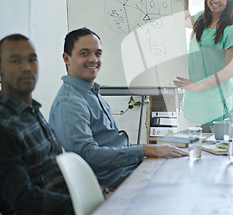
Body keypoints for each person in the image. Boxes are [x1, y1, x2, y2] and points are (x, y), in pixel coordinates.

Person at [49, 28, 187, 189]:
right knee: (182, 183)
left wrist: (151, 150)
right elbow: (88, 155)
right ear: (67, 58)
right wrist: (145, 150)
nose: (93, 59)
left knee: (182, 167)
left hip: (129, 171)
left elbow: (114, 145)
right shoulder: (69, 102)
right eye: (84, 53)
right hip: (115, 183)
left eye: (98, 54)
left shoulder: (91, 93)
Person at [0, 34, 77, 215]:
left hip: (65, 204)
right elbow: (23, 199)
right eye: (15, 60)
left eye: (32, 59)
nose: (27, 67)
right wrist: (81, 203)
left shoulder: (30, 112)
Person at [174, 0, 233, 126]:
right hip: (194, 98)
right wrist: (185, 0)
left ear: (229, 0)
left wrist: (197, 86)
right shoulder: (200, 18)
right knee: (186, 146)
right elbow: (185, 20)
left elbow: (230, 70)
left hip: (217, 100)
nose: (215, 0)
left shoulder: (230, 30)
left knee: (221, 147)